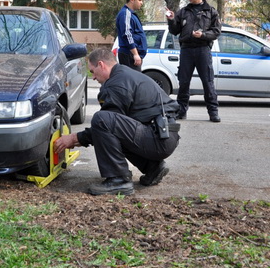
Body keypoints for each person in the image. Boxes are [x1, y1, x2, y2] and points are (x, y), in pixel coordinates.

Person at [53, 48, 181, 196]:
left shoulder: (117, 84)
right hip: (162, 135)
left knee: (101, 119)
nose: (93, 77)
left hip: (158, 138)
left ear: (101, 65)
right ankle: (152, 168)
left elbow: (106, 125)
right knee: (113, 128)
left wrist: (75, 138)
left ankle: (118, 180)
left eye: (93, 71)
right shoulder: (125, 74)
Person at [166, 0, 222, 122]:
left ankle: (213, 112)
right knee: (184, 82)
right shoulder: (183, 11)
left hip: (203, 49)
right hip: (186, 50)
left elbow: (216, 32)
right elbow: (174, 31)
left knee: (208, 82)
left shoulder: (211, 11)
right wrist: (172, 19)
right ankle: (181, 111)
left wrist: (202, 35)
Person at [115, 0, 147, 71]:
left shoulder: (130, 14)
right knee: (132, 82)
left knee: (134, 82)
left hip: (131, 55)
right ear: (132, 0)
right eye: (139, 0)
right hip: (129, 55)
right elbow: (127, 34)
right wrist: (135, 54)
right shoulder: (126, 14)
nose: (141, 3)